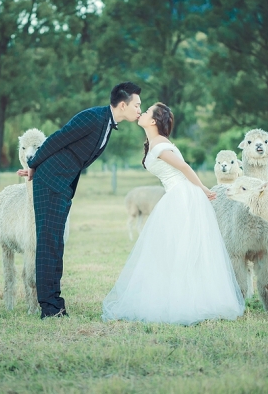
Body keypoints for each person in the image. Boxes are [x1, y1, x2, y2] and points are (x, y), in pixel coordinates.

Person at [102, 102, 245, 325]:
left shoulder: (160, 145)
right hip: (174, 195)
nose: (142, 112)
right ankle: (170, 297)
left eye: (147, 111)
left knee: (180, 247)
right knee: (169, 248)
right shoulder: (154, 143)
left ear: (152, 121)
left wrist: (203, 189)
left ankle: (188, 301)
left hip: (182, 196)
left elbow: (185, 167)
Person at [17, 82, 142, 319]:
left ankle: (56, 303)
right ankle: (49, 308)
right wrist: (34, 166)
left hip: (62, 185)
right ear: (123, 105)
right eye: (137, 105)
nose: (139, 110)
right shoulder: (93, 118)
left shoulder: (107, 124)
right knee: (49, 243)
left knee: (56, 243)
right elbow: (57, 139)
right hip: (51, 182)